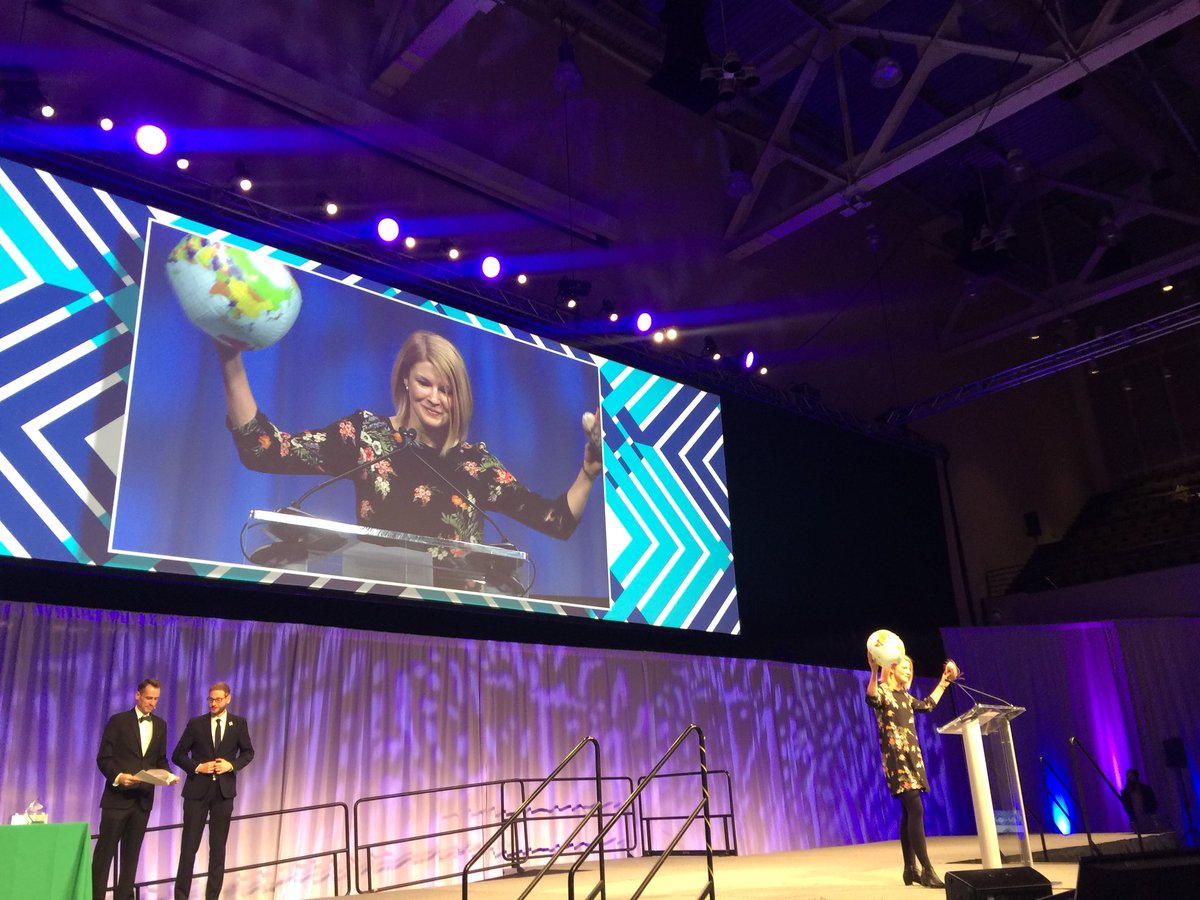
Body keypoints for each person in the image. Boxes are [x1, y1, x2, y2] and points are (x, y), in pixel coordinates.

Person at [217, 330, 602, 586]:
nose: (435, 398)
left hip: (459, 626)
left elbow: (555, 520)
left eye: (447, 390)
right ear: (405, 379)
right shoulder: (367, 436)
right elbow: (267, 450)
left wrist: (587, 473)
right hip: (379, 617)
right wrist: (231, 361)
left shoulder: (474, 463)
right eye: (425, 383)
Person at [866, 652, 960, 889]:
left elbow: (927, 705)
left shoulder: (905, 697)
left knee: (909, 814)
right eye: (904, 667)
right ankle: (927, 870)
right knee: (916, 809)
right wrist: (874, 671)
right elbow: (871, 697)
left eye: (910, 668)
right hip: (897, 761)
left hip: (912, 759)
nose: (908, 671)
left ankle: (910, 870)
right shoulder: (883, 692)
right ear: (892, 669)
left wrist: (944, 682)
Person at [92, 677, 177, 900]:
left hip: (142, 801)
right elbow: (104, 758)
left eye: (156, 699)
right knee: (104, 856)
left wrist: (168, 775)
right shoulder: (118, 721)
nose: (152, 703)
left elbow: (160, 759)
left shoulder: (160, 725)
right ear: (137, 695)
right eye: (149, 698)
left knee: (131, 859)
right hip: (117, 800)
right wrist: (119, 777)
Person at [172, 682, 255, 900]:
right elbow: (178, 755)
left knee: (217, 851)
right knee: (188, 849)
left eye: (218, 699)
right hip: (196, 793)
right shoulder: (196, 724)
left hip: (223, 795)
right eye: (210, 699)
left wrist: (231, 765)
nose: (213, 703)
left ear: (228, 699)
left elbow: (248, 752)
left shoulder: (238, 724)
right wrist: (198, 767)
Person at [1119, 768, 1160, 832]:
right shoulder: (1125, 792)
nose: (1130, 778)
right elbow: (1126, 806)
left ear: (1136, 776)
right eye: (1128, 776)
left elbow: (1152, 801)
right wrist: (1132, 815)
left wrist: (1152, 813)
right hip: (1135, 818)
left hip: (1147, 816)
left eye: (1132, 776)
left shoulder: (1146, 789)